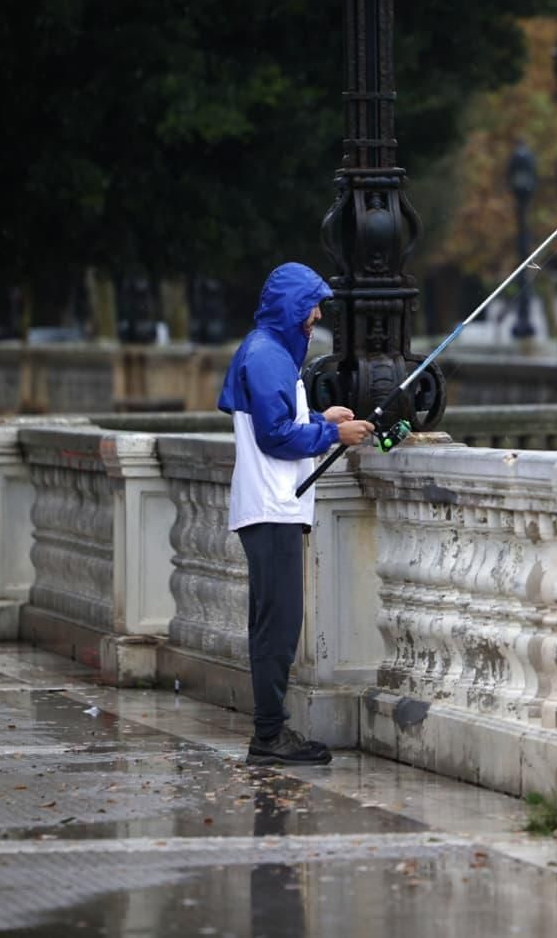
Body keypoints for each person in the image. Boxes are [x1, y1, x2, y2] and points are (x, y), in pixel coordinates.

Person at [217, 262, 374, 765]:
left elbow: (279, 420)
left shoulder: (267, 350)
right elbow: (275, 436)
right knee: (278, 628)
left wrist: (319, 418)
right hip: (272, 509)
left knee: (275, 624)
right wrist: (333, 434)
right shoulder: (267, 355)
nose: (318, 315)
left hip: (272, 507)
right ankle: (269, 736)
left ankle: (271, 732)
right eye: (313, 306)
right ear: (292, 307)